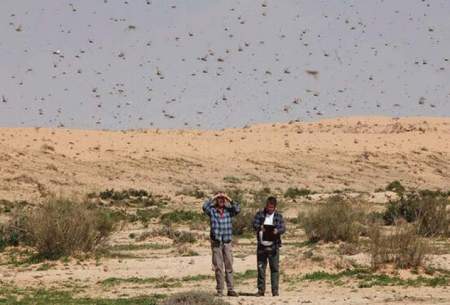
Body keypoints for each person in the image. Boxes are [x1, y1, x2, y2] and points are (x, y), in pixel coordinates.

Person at [203, 192, 240, 297]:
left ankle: (231, 289)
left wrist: (228, 197)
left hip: (227, 241)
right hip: (216, 242)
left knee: (229, 265)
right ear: (216, 200)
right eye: (219, 199)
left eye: (223, 199)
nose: (221, 200)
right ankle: (220, 290)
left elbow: (237, 209)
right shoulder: (212, 211)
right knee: (218, 267)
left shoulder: (229, 210)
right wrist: (214, 197)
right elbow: (204, 206)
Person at [252, 196, 286, 297]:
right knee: (261, 268)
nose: (269, 209)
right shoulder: (260, 214)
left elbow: (283, 228)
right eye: (268, 207)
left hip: (274, 246)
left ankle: (275, 291)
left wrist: (277, 231)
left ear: (275, 207)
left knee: (274, 269)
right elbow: (254, 224)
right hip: (262, 246)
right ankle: (261, 290)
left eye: (271, 207)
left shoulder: (278, 216)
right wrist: (260, 227)